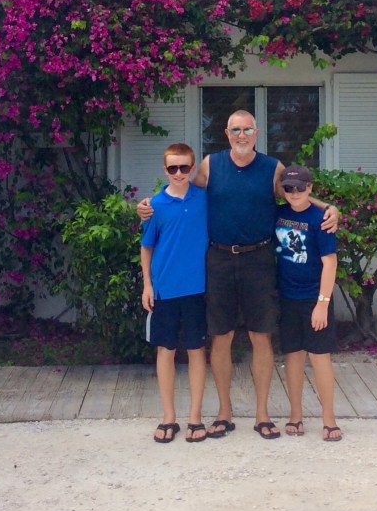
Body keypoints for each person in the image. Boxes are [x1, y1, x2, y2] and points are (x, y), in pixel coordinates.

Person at [137, 109, 338, 440]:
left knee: (261, 336)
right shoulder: (210, 165)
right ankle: (224, 412)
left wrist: (327, 207)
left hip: (259, 259)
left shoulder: (271, 167)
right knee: (221, 337)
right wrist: (147, 206)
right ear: (226, 133)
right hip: (218, 259)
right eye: (235, 130)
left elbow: (295, 193)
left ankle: (262, 415)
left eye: (247, 130)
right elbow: (179, 188)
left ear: (256, 133)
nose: (241, 135)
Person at [141, 143, 208, 444]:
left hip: (197, 289)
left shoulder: (204, 199)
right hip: (165, 290)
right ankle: (169, 417)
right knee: (165, 351)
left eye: (184, 167)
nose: (179, 173)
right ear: (165, 169)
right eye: (172, 168)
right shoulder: (155, 206)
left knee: (196, 351)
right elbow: (146, 248)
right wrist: (147, 284)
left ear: (193, 168)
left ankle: (195, 417)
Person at [275, 164, 342, 441]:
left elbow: (330, 263)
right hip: (286, 298)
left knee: (319, 357)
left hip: (314, 298)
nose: (294, 193)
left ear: (309, 188)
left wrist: (322, 304)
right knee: (293, 356)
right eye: (289, 188)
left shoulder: (321, 219)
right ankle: (295, 415)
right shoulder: (278, 214)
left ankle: (329, 419)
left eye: (300, 188)